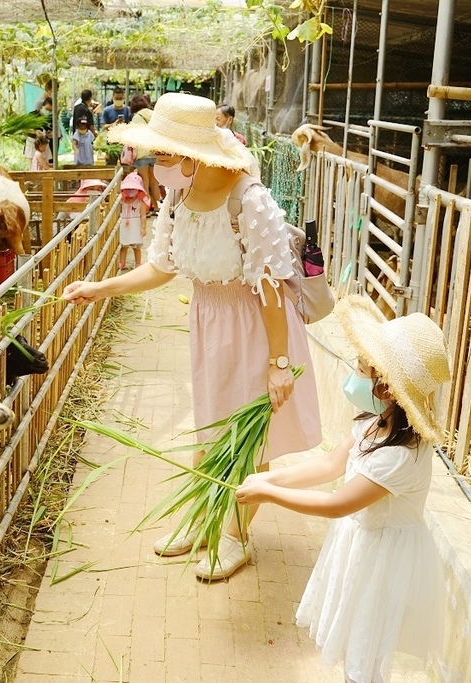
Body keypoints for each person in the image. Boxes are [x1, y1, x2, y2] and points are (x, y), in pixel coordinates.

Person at [63, 93, 322, 580]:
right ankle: (202, 518)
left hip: (256, 327)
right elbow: (161, 268)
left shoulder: (249, 200)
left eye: (163, 157)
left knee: (251, 442)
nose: (156, 167)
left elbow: (268, 289)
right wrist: (101, 288)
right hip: (209, 324)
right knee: (209, 428)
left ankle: (236, 538)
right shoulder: (178, 199)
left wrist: (279, 363)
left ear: (193, 156)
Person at [235, 295, 450, 683]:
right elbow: (329, 465)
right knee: (357, 639)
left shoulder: (399, 457)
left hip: (384, 560)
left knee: (365, 653)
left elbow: (336, 505)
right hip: (363, 544)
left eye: (361, 367)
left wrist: (269, 495)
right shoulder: (374, 424)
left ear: (385, 388)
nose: (354, 372)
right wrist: (268, 477)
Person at [128, 95, 161, 212]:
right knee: (154, 182)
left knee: (144, 183)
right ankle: (158, 208)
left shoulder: (137, 117)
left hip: (142, 153)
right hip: (154, 152)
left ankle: (145, 209)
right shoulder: (153, 114)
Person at [117, 171, 149, 270]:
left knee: (136, 247)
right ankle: (122, 263)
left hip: (136, 226)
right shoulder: (121, 202)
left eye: (133, 189)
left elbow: (143, 216)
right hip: (124, 226)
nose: (130, 191)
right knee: (124, 246)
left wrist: (143, 228)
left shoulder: (140, 202)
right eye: (128, 189)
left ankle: (138, 263)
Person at [24, 98, 54, 162]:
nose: (48, 111)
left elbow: (51, 130)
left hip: (44, 144)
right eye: (47, 109)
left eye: (50, 110)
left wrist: (50, 133)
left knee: (45, 163)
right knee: (32, 164)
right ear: (42, 106)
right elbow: (25, 128)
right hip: (32, 142)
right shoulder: (33, 115)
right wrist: (35, 132)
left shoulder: (50, 118)